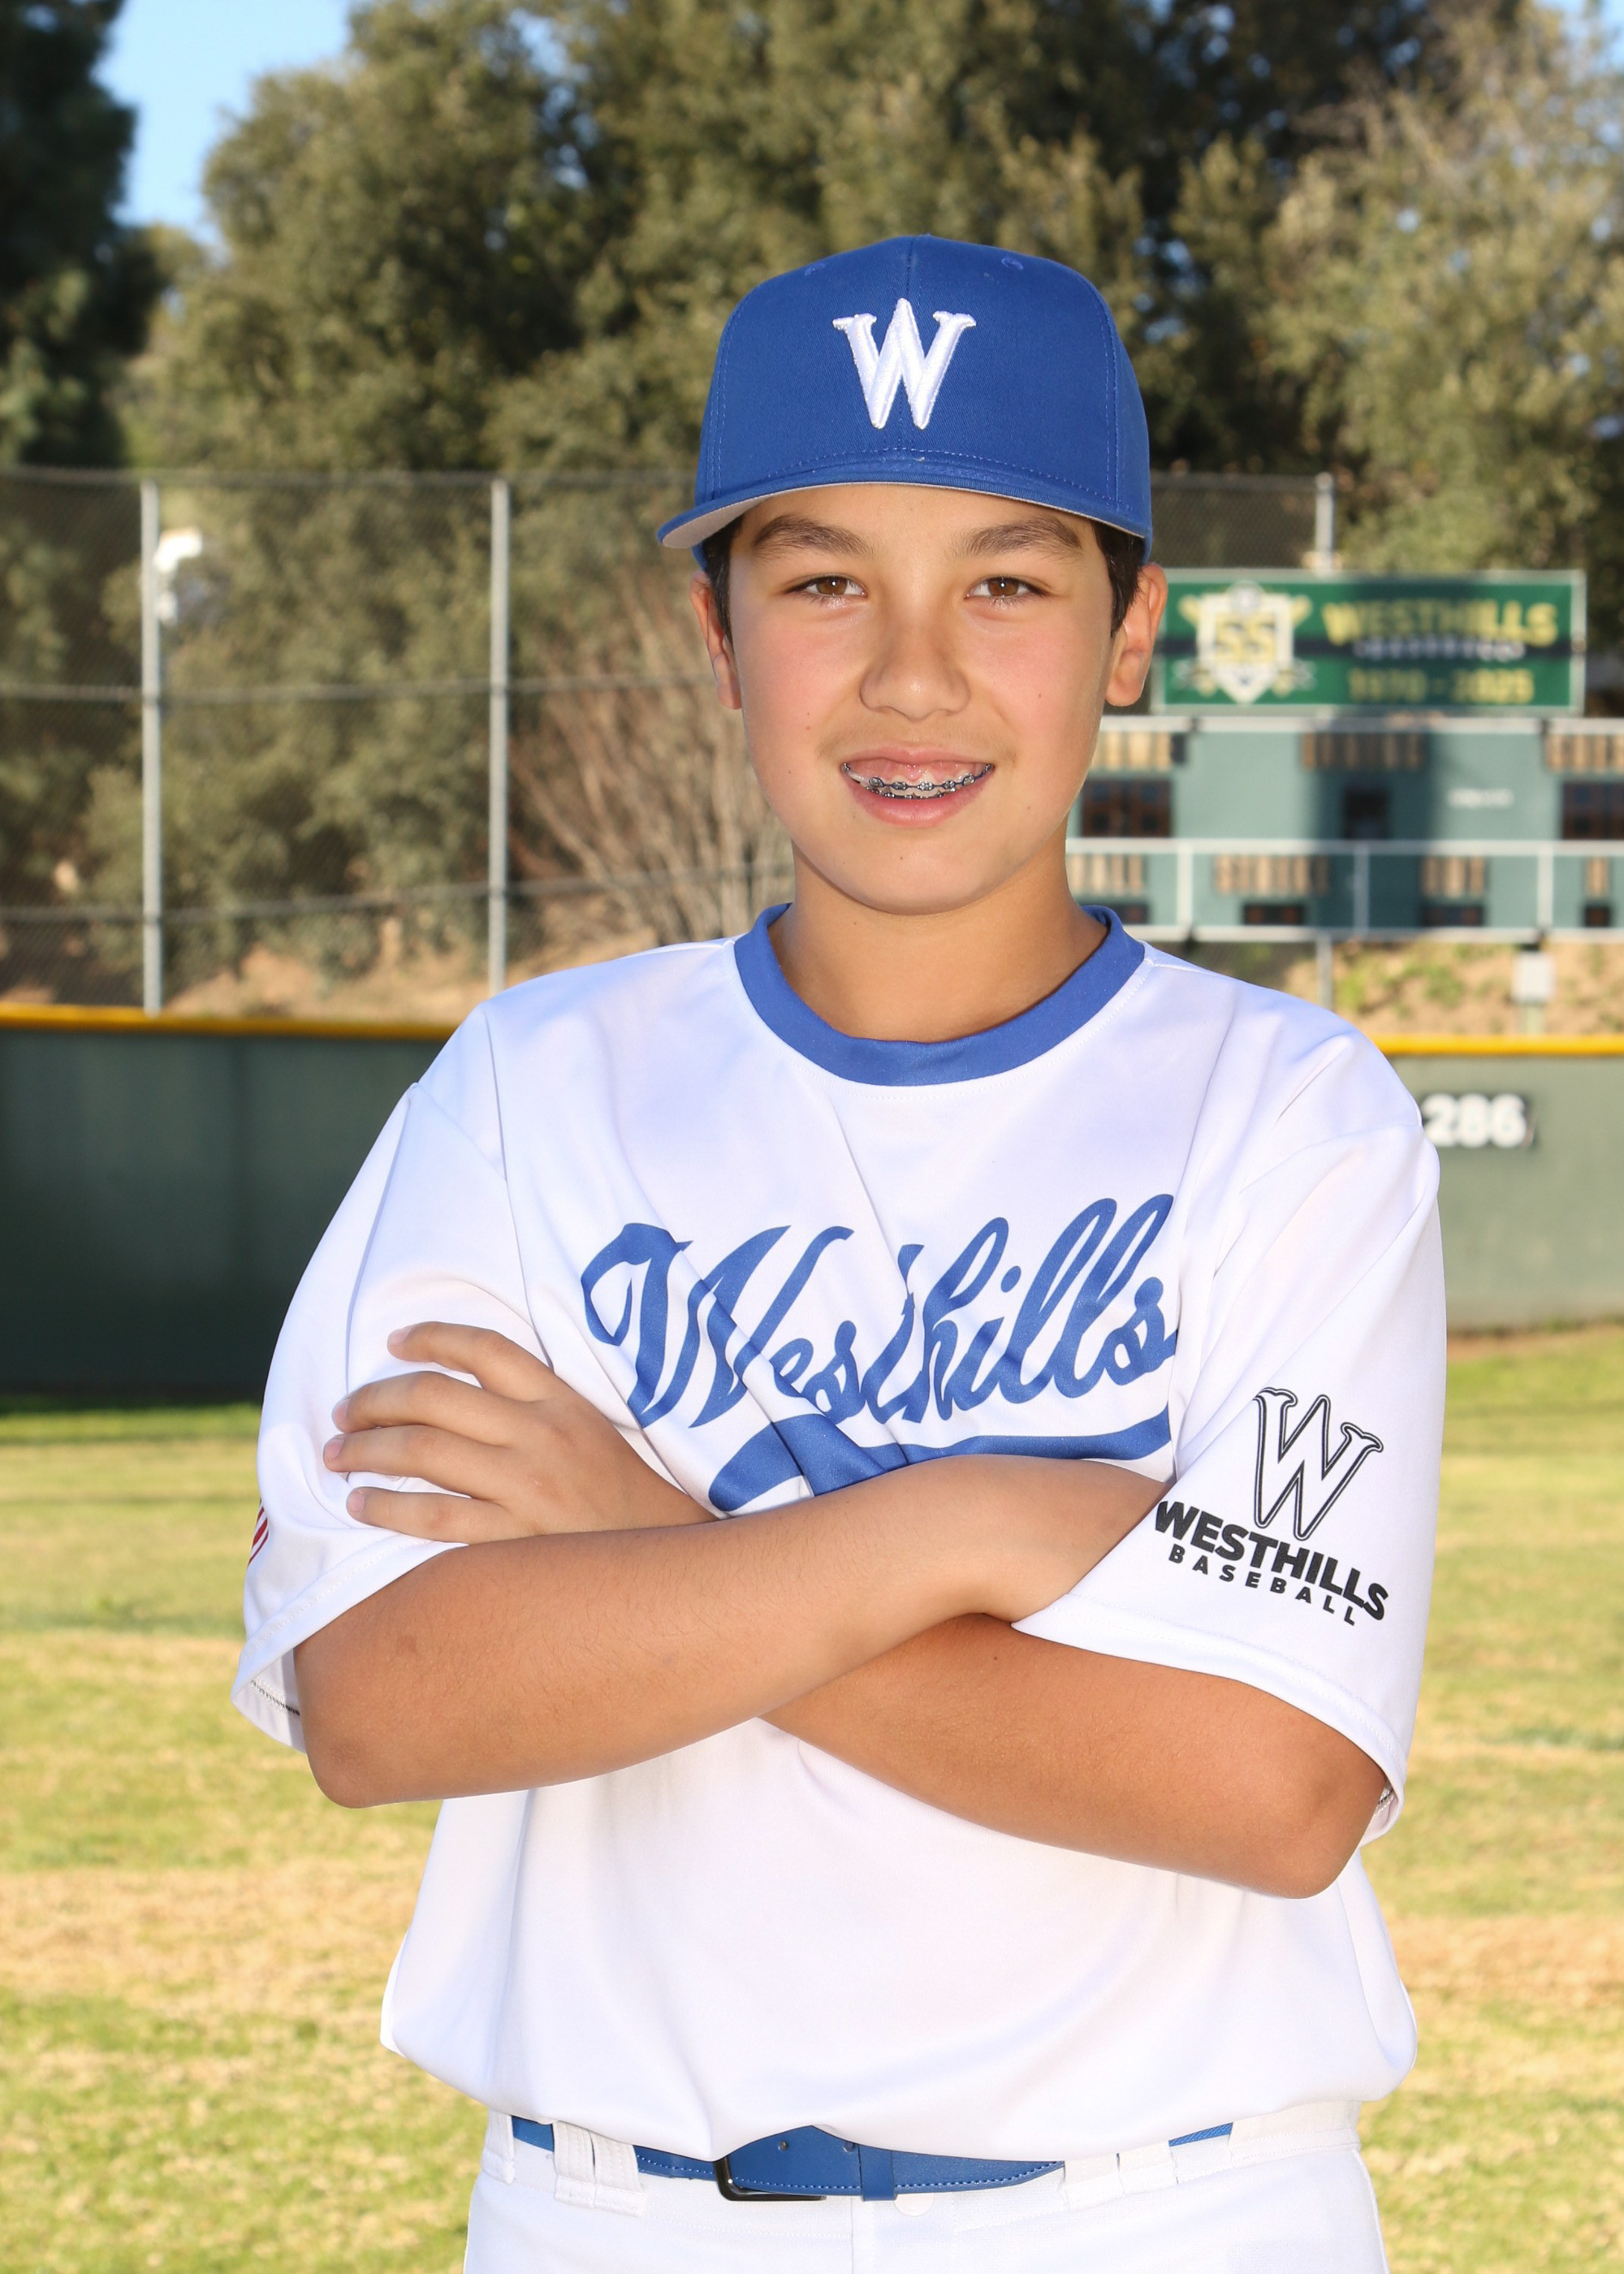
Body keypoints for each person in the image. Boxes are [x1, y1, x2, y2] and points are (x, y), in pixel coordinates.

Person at [234, 236, 1442, 2273]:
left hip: (1169, 2207)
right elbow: (384, 1694)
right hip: (615, 2214)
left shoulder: (1291, 1113)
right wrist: (960, 1523)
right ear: (718, 635)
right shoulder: (531, 1089)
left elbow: (1265, 1781)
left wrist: (646, 1537)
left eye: (1005, 581)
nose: (911, 672)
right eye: (821, 584)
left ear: (1131, 628)